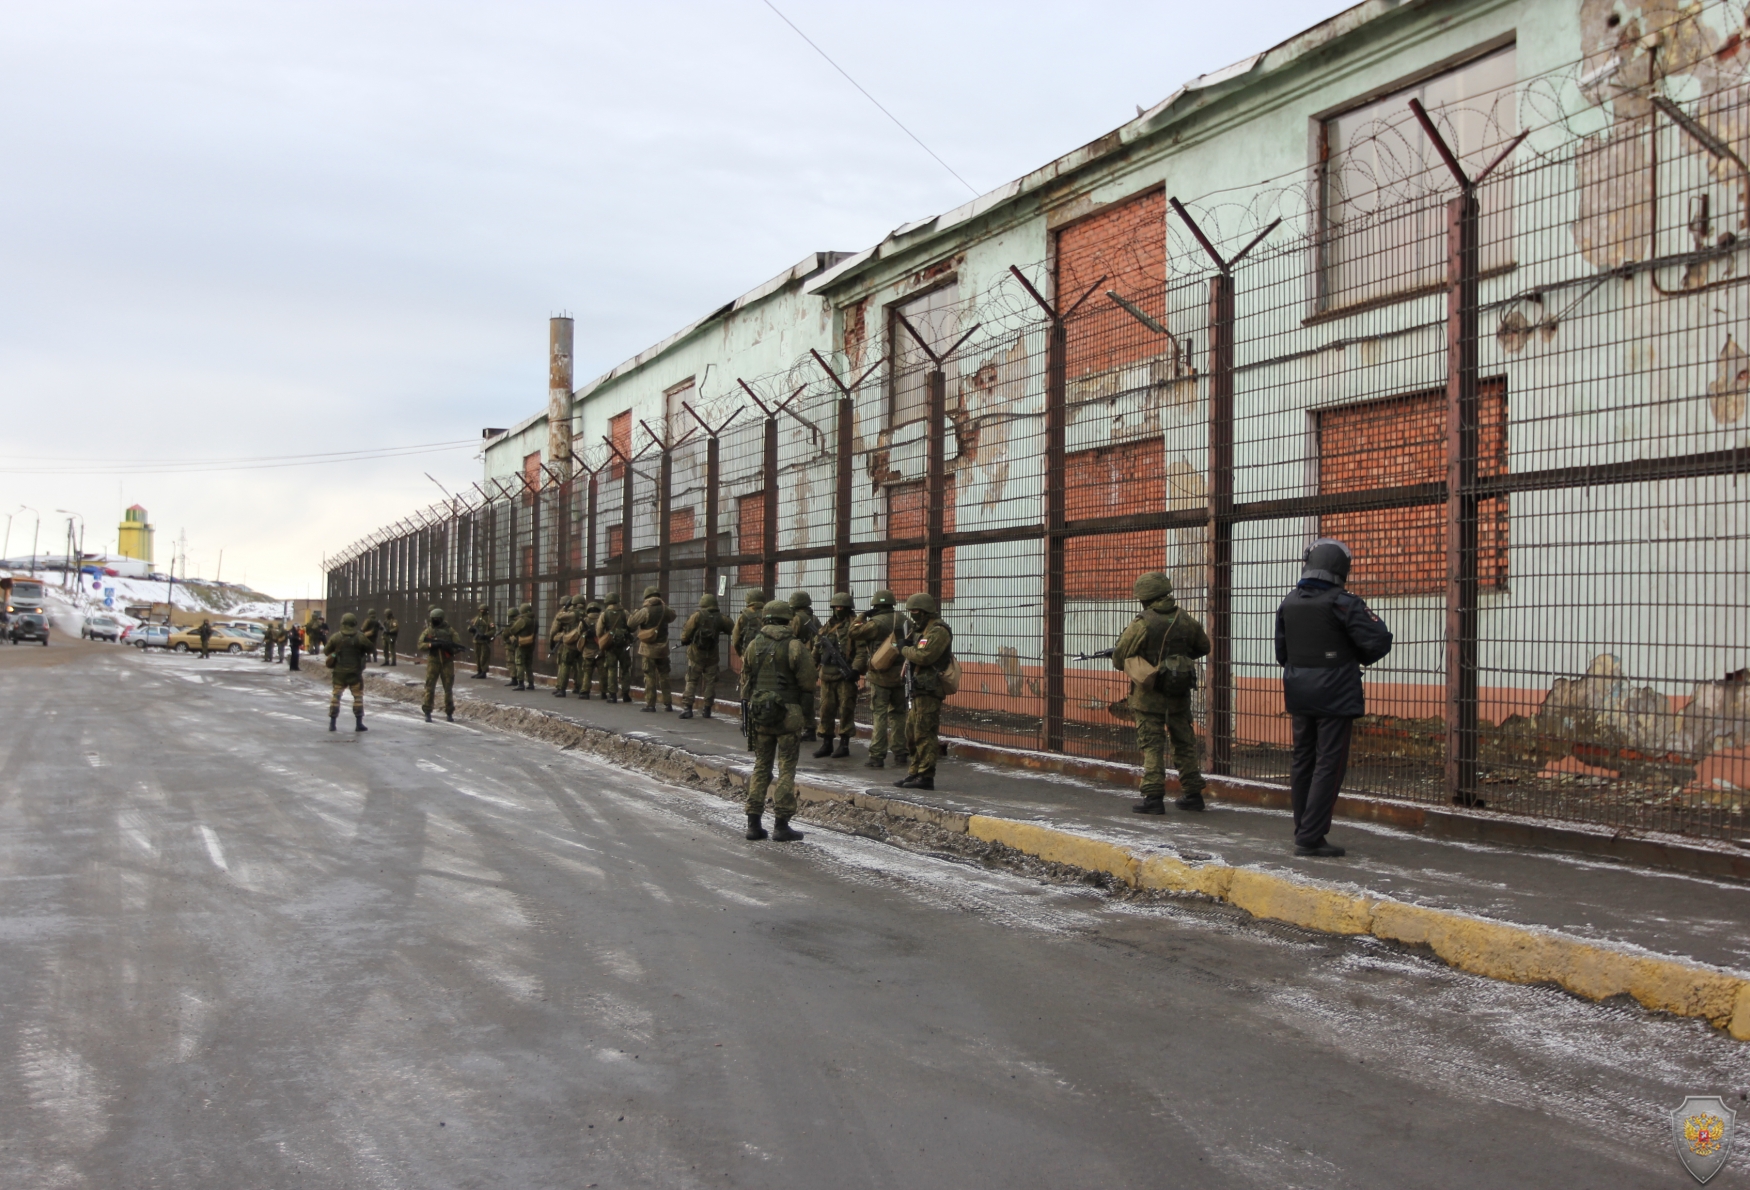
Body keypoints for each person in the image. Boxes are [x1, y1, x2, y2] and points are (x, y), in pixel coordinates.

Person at [1274, 538, 1393, 859]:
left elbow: (1281, 652)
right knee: (1329, 762)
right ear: (1341, 568)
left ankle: (1304, 829)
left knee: (1303, 759)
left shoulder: (1290, 601)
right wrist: (1350, 655)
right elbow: (1379, 640)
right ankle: (1311, 837)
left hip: (1299, 688)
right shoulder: (1344, 602)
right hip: (1336, 690)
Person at [1111, 572, 1212, 815]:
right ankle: (1193, 794)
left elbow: (1118, 658)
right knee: (1184, 743)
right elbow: (1203, 646)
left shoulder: (1143, 622)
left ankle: (1154, 797)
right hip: (1178, 695)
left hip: (1148, 697)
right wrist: (1176, 662)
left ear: (1144, 598)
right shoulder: (1184, 618)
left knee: (1152, 745)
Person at [739, 598, 815, 842]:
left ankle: (753, 823)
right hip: (788, 716)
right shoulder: (794, 646)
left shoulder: (753, 645)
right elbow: (807, 682)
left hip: (761, 715)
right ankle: (781, 825)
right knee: (786, 769)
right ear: (787, 619)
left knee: (761, 766)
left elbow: (745, 683)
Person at [895, 592, 953, 791]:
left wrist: (904, 649)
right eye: (911, 612)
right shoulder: (920, 630)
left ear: (927, 611)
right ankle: (915, 771)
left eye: (916, 612)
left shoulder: (938, 631)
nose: (913, 616)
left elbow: (925, 656)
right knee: (911, 732)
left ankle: (926, 776)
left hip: (929, 689)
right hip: (917, 687)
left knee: (924, 733)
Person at [850, 590, 907, 770]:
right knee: (899, 715)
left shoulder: (875, 623)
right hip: (901, 675)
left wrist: (862, 616)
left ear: (875, 606)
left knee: (880, 715)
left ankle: (877, 756)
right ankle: (900, 753)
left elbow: (853, 631)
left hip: (880, 675)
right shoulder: (905, 620)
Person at [813, 592, 859, 758]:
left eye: (842, 607)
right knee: (826, 709)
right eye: (836, 607)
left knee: (846, 708)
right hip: (827, 675)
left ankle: (844, 744)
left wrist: (856, 670)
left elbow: (861, 650)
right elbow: (817, 648)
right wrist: (813, 666)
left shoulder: (855, 626)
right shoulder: (826, 627)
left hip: (845, 675)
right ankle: (826, 743)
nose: (839, 610)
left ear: (848, 608)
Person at [678, 593, 734, 719]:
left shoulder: (697, 616)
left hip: (696, 654)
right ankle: (707, 709)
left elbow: (686, 634)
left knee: (692, 680)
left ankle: (688, 708)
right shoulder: (721, 618)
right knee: (710, 682)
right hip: (712, 655)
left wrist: (685, 640)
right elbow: (732, 628)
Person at [627, 586, 677, 712]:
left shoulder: (645, 611)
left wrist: (635, 612)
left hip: (648, 649)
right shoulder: (665, 609)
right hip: (663, 648)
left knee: (649, 676)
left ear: (646, 597)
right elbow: (673, 616)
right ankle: (668, 703)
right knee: (664, 675)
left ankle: (650, 704)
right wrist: (664, 605)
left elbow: (630, 624)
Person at [325, 611, 369, 732]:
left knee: (336, 697)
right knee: (358, 697)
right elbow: (370, 648)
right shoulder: (360, 636)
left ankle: (332, 723)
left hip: (339, 673)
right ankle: (359, 723)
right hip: (355, 673)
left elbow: (326, 650)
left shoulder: (336, 637)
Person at [787, 590, 822, 741]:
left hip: (798, 659)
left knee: (794, 694)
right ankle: (810, 727)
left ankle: (797, 726)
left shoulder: (795, 619)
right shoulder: (814, 618)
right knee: (808, 694)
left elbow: (790, 638)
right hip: (811, 660)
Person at [417, 606, 459, 723]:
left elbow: (457, 645)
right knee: (430, 687)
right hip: (433, 661)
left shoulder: (450, 631)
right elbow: (420, 644)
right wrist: (431, 645)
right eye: (433, 618)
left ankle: (449, 712)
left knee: (448, 688)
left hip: (447, 662)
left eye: (437, 619)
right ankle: (428, 712)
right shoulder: (428, 631)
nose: (435, 621)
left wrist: (449, 649)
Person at [594, 593, 633, 702]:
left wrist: (604, 639)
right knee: (625, 669)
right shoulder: (625, 613)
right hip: (624, 645)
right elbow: (631, 626)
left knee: (611, 669)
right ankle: (626, 694)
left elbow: (599, 631)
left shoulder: (604, 614)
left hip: (610, 645)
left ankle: (612, 695)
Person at [549, 596, 580, 697]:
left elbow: (554, 629)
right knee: (579, 666)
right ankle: (579, 687)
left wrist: (552, 641)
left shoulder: (566, 615)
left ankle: (561, 688)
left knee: (564, 665)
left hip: (567, 642)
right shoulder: (584, 612)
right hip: (582, 643)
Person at [577, 596, 604, 698]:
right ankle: (604, 692)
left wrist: (585, 634)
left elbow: (579, 632)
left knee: (587, 673)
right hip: (600, 650)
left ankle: (585, 691)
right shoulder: (602, 619)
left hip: (588, 651)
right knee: (602, 673)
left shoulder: (585, 620)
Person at [468, 603, 496, 678]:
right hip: (476, 640)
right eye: (480, 610)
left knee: (484, 657)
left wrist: (485, 635)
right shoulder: (476, 619)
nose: (482, 611)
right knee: (477, 656)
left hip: (484, 641)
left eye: (483, 610)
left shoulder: (489, 619)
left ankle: (483, 672)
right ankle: (479, 671)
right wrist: (471, 629)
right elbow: (469, 627)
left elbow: (493, 630)